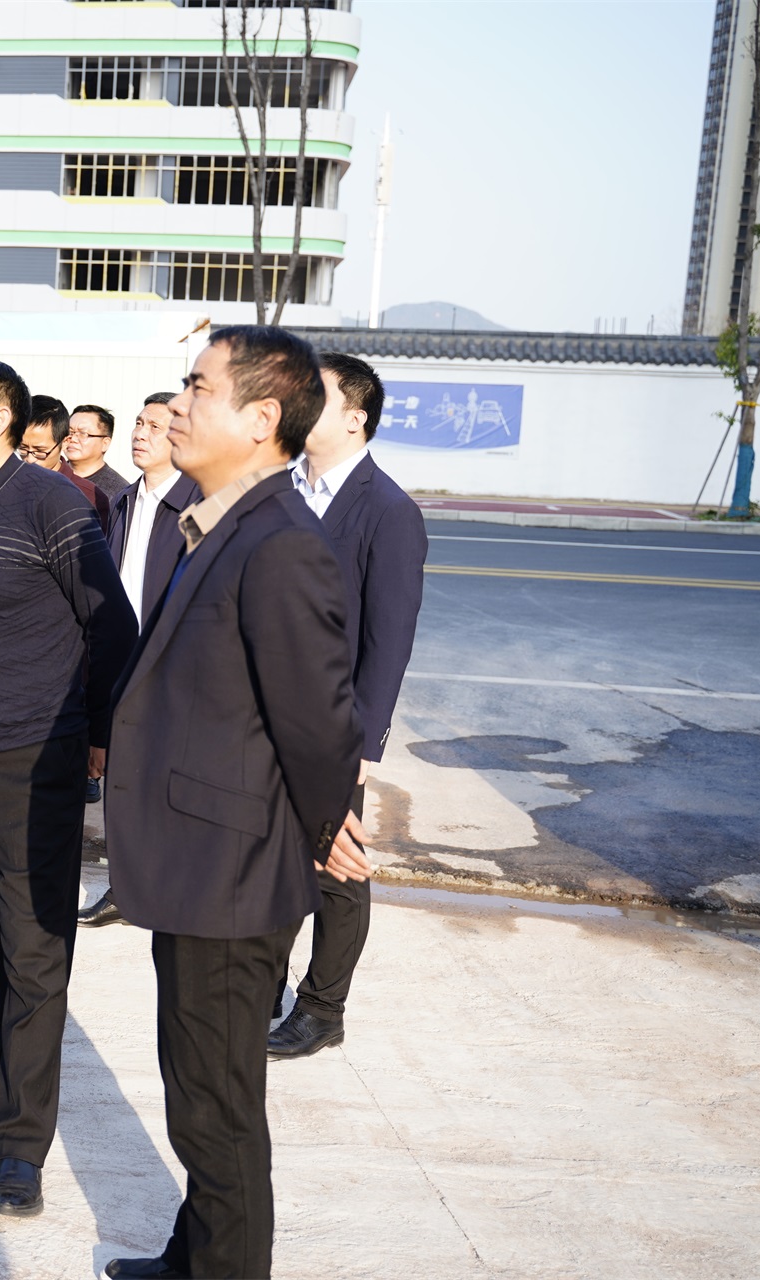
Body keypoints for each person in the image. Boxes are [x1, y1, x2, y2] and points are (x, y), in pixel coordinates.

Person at [101, 327, 370, 1280]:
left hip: (231, 876)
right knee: (200, 1094)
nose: (177, 406)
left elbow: (320, 719)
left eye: (197, 388)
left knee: (216, 1110)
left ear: (261, 420)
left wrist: (327, 828)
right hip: (198, 862)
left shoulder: (279, 545)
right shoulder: (216, 525)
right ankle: (194, 1257)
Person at [0, 355, 137, 1218]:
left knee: (34, 951)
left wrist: (100, 736)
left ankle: (20, 1148)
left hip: (35, 760)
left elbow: (111, 627)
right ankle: (0, 1076)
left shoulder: (51, 505)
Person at [268, 352, 427, 1060]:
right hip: (258, 718)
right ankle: (262, 987)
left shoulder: (388, 510)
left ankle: (322, 1008)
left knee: (334, 868)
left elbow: (388, 641)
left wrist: (362, 745)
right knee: (264, 859)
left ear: (356, 418)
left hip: (330, 729)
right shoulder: (275, 489)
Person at [76, 390, 202, 927]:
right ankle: (126, 890)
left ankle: (176, 887)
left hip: (171, 667)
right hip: (119, 660)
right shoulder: (125, 500)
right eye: (138, 423)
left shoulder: (200, 504)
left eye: (154, 425)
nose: (140, 433)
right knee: (123, 779)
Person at [18, 395, 111, 528]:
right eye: (23, 449)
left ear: (65, 442)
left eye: (40, 451)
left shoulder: (89, 496)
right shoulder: (6, 485)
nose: (30, 459)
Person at [64, 404, 130, 501]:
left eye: (83, 434)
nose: (72, 439)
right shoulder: (50, 475)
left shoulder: (118, 492)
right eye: (69, 432)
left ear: (105, 443)